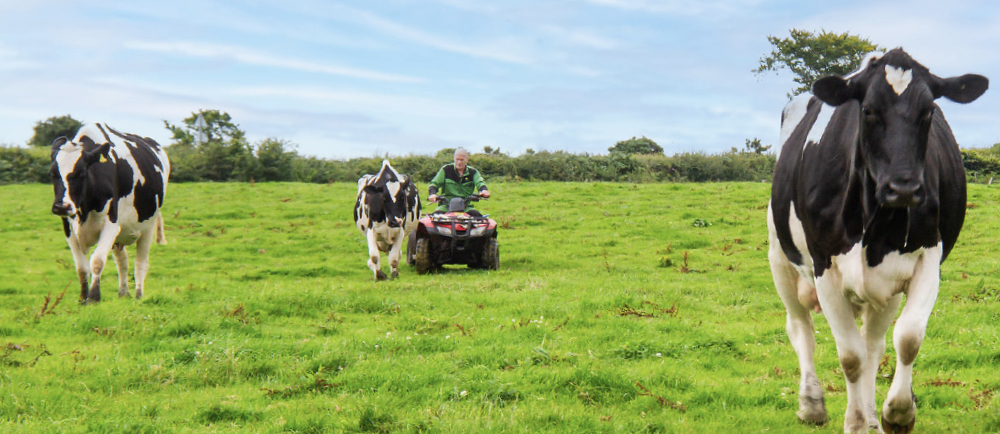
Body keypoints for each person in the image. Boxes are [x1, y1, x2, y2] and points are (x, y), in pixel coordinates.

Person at [428, 148, 490, 214]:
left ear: (467, 159)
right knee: (435, 216)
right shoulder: (446, 170)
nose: (459, 162)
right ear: (454, 158)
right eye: (457, 159)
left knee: (477, 216)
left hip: (465, 206)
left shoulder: (473, 172)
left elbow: (480, 183)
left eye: (462, 160)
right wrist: (432, 194)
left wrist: (484, 191)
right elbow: (434, 183)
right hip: (446, 206)